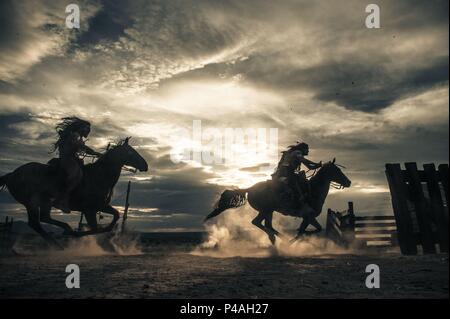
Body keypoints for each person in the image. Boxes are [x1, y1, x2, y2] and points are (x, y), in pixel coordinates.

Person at [51, 117, 102, 213]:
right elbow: (81, 147)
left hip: (72, 159)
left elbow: (80, 147)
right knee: (76, 175)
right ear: (82, 128)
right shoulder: (74, 135)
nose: (88, 131)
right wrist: (95, 153)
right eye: (87, 129)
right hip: (68, 159)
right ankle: (60, 200)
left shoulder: (76, 136)